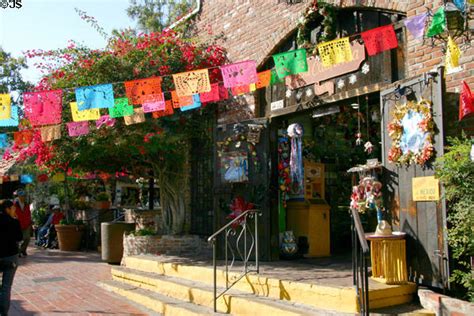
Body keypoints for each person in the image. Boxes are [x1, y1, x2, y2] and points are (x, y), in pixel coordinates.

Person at [0, 200, 23, 316]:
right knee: (6, 286)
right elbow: (19, 237)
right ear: (7, 209)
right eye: (13, 208)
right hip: (10, 256)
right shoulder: (14, 222)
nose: (15, 210)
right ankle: (3, 313)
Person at [13, 190, 32, 257]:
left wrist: (30, 221)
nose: (23, 197)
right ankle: (20, 251)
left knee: (27, 238)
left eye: (24, 196)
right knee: (19, 239)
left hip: (26, 224)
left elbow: (28, 213)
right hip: (18, 224)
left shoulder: (27, 204)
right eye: (21, 196)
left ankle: (22, 250)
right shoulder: (15, 204)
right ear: (18, 196)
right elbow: (13, 213)